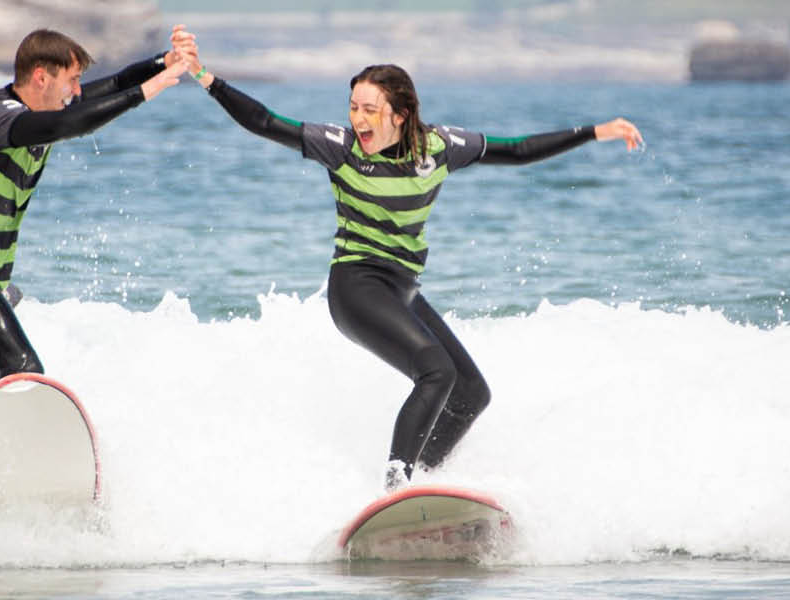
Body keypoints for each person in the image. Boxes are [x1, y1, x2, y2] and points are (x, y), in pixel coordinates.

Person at [183, 54, 644, 490]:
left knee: (470, 395)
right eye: (353, 107)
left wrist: (594, 131)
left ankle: (417, 483)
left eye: (370, 109)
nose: (357, 119)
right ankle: (395, 484)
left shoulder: (439, 148)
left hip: (403, 291)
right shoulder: (340, 148)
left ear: (400, 114)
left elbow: (518, 150)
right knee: (435, 372)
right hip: (356, 288)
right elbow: (264, 121)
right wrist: (206, 78)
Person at [0, 27, 196, 392]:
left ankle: (3, 449)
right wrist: (151, 89)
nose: (78, 91)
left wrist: (164, 62)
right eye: (73, 80)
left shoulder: (42, 110)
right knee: (24, 373)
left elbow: (112, 85)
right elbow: (68, 124)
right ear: (41, 77)